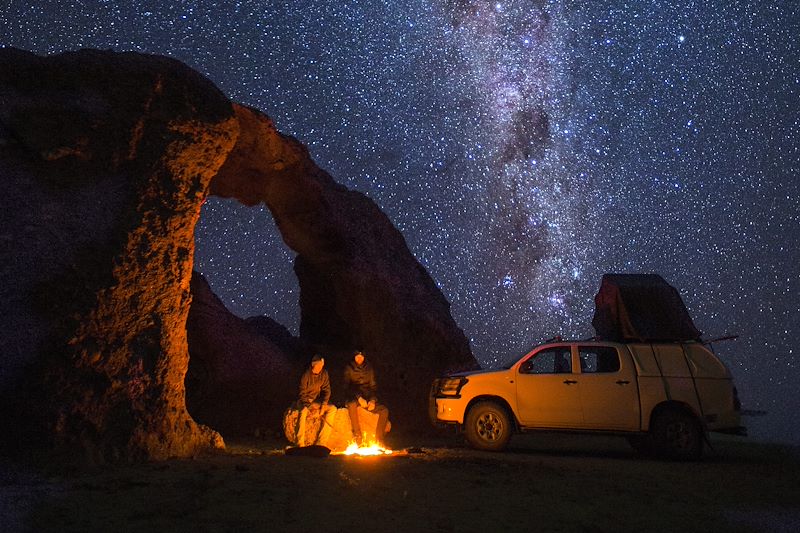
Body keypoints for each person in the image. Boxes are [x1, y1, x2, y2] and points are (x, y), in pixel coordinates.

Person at [343, 350, 389, 446]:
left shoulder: (369, 368)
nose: (359, 358)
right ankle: (358, 436)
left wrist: (372, 400)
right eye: (357, 356)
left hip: (367, 398)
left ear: (364, 357)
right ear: (354, 357)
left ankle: (379, 439)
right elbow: (347, 387)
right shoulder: (349, 368)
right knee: (351, 405)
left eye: (361, 356)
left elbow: (373, 387)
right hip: (354, 397)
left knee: (384, 411)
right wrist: (359, 397)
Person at [296, 354, 337, 447]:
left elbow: (327, 390)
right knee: (303, 412)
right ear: (313, 365)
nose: (320, 367)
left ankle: (321, 442)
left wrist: (324, 404)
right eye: (318, 365)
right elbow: (302, 392)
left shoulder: (324, 374)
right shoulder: (306, 374)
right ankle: (300, 443)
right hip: (305, 401)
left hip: (316, 402)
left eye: (322, 365)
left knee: (333, 409)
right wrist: (309, 406)